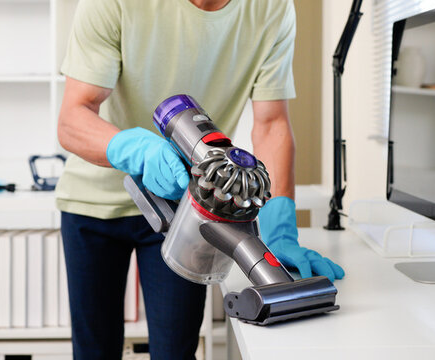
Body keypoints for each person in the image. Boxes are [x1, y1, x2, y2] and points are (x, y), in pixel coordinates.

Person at [55, 0, 345, 359]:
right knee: (94, 352)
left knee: (176, 351)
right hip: (93, 204)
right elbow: (72, 117)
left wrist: (279, 228)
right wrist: (137, 150)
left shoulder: (271, 7)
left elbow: (271, 125)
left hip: (188, 207)